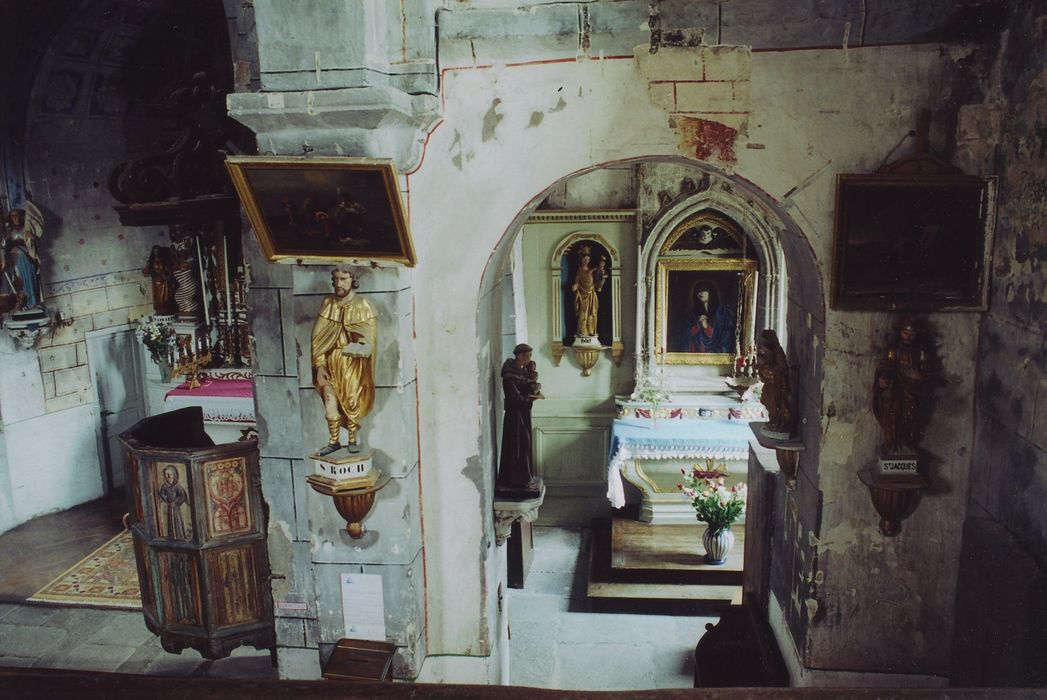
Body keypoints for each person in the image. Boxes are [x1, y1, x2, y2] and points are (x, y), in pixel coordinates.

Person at [311, 266, 378, 455]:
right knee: (330, 403)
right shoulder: (328, 304)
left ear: (353, 280)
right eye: (336, 279)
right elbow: (318, 339)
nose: (338, 283)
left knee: (351, 401)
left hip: (352, 363)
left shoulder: (363, 305)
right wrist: (319, 364)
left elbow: (369, 337)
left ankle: (351, 440)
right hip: (330, 361)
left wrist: (361, 344)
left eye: (343, 279)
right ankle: (333, 441)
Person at [873, 319, 928, 455]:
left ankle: (905, 442)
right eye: (905, 333)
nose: (908, 337)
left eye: (912, 334)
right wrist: (883, 378)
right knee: (892, 415)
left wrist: (919, 376)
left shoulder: (920, 352)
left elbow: (927, 370)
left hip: (912, 391)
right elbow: (887, 365)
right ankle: (891, 443)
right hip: (896, 388)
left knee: (910, 416)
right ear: (900, 333)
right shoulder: (893, 350)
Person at [497, 343, 541, 497]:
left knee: (524, 445)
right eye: (528, 356)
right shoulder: (509, 375)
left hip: (522, 414)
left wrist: (533, 386)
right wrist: (530, 399)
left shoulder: (521, 371)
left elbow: (526, 388)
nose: (530, 359)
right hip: (515, 416)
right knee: (520, 445)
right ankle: (516, 479)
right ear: (521, 355)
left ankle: (523, 478)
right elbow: (514, 398)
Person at [1, 203, 45, 310]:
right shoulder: (8, 232)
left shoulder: (27, 229)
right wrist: (3, 260)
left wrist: (32, 236)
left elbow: (38, 244)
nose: (15, 218)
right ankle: (24, 303)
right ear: (10, 218)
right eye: (13, 216)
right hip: (15, 260)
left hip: (29, 258)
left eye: (17, 215)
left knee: (31, 279)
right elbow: (2, 247)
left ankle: (33, 303)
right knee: (19, 281)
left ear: (21, 216)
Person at [756, 329, 793, 436]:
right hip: (770, 384)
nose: (762, 345)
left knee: (776, 404)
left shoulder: (777, 353)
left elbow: (782, 368)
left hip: (777, 384)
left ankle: (779, 423)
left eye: (764, 341)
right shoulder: (768, 352)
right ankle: (774, 422)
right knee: (767, 401)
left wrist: (770, 371)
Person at [680, 281, 735, 353]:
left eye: (704, 290)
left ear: (711, 292)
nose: (700, 293)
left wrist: (706, 327)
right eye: (698, 291)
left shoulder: (722, 313)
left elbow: (726, 337)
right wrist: (697, 327)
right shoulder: (692, 315)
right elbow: (686, 336)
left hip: (717, 353)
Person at [571, 247, 600, 338]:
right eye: (585, 259)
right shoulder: (579, 271)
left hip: (591, 293)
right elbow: (577, 281)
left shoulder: (592, 270)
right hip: (583, 295)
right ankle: (582, 331)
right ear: (581, 259)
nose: (586, 261)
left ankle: (591, 330)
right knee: (583, 313)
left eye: (588, 259)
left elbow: (597, 281)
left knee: (592, 313)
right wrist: (575, 286)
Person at [143, 245, 178, 315]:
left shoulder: (164, 260)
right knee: (158, 299)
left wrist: (168, 276)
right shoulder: (151, 261)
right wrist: (151, 273)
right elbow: (145, 272)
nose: (156, 253)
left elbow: (170, 270)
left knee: (166, 297)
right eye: (155, 251)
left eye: (158, 251)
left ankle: (167, 311)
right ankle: (160, 311)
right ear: (153, 252)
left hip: (164, 281)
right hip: (156, 282)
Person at [158, 465, 189, 540]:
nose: (169, 476)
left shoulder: (177, 486)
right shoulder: (165, 486)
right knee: (170, 521)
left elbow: (182, 496)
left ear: (174, 475)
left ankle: (180, 536)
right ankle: (172, 536)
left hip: (176, 507)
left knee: (177, 520)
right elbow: (162, 493)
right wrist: (167, 500)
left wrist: (176, 502)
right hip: (169, 506)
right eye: (166, 474)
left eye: (170, 474)